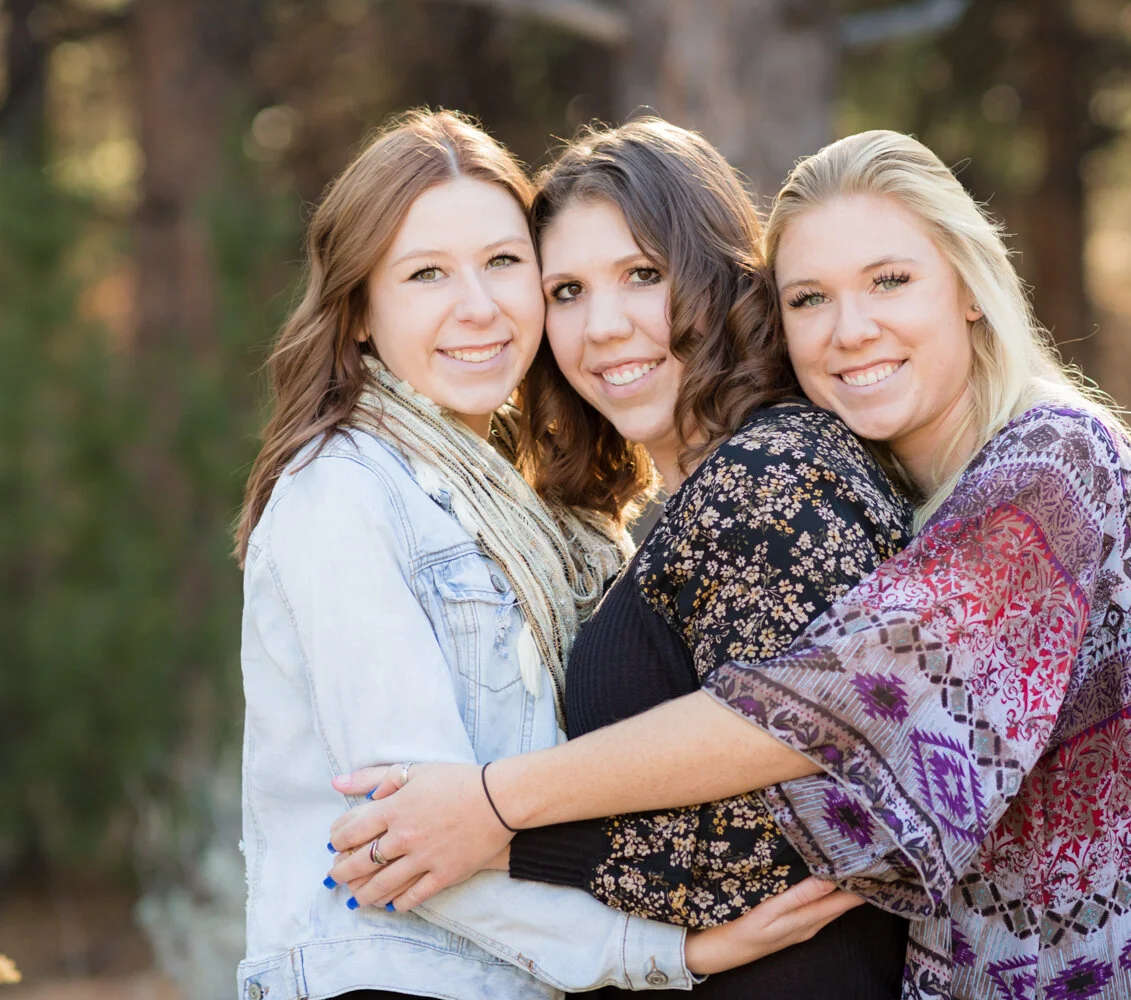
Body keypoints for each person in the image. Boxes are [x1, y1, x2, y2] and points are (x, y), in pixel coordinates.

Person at [328, 129, 1131, 1000]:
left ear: (971, 285)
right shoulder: (891, 489)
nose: (851, 330)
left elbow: (833, 712)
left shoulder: (1047, 463)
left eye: (890, 281)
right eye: (810, 298)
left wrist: (495, 816)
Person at [233, 108, 855, 1000]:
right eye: (426, 274)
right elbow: (413, 834)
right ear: (359, 312)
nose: (478, 306)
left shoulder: (531, 510)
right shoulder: (343, 494)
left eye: (502, 263)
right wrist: (673, 952)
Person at [505, 120, 911, 997]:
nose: (602, 327)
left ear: (717, 273)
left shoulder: (774, 475)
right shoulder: (707, 494)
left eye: (641, 275)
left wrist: (496, 832)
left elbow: (810, 829)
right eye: (567, 291)